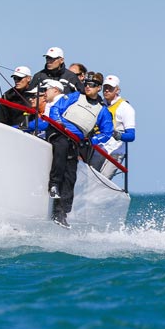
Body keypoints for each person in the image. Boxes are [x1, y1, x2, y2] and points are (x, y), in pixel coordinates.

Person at [47, 71, 113, 228]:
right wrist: (59, 122)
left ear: (98, 88)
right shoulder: (75, 96)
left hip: (77, 141)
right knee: (61, 149)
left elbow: (107, 132)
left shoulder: (102, 110)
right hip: (60, 132)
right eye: (86, 84)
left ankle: (61, 213)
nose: (88, 87)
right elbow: (56, 108)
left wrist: (93, 140)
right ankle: (54, 184)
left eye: (92, 85)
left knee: (71, 175)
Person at [92, 75, 136, 178]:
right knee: (89, 178)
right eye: (105, 87)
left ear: (117, 90)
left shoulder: (126, 108)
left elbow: (131, 136)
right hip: (99, 149)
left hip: (115, 152)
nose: (107, 90)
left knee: (103, 179)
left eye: (110, 88)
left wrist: (117, 135)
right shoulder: (99, 104)